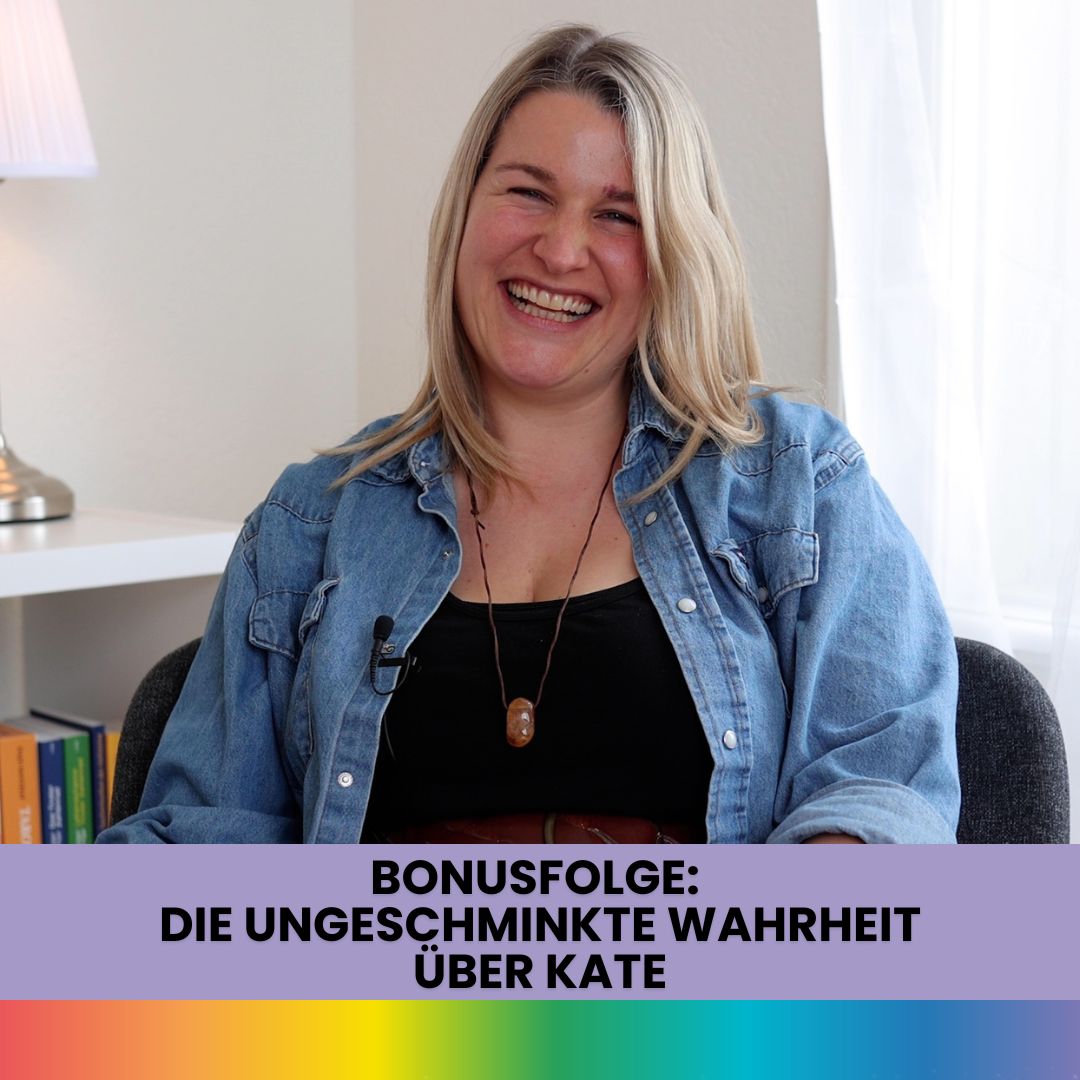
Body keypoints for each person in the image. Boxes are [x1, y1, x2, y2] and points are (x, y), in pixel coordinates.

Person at [98, 25, 960, 845]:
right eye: (529, 193)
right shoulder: (306, 525)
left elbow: (883, 790)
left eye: (619, 215)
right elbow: (200, 847)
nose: (561, 249)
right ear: (464, 213)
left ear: (674, 254)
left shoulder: (800, 482)